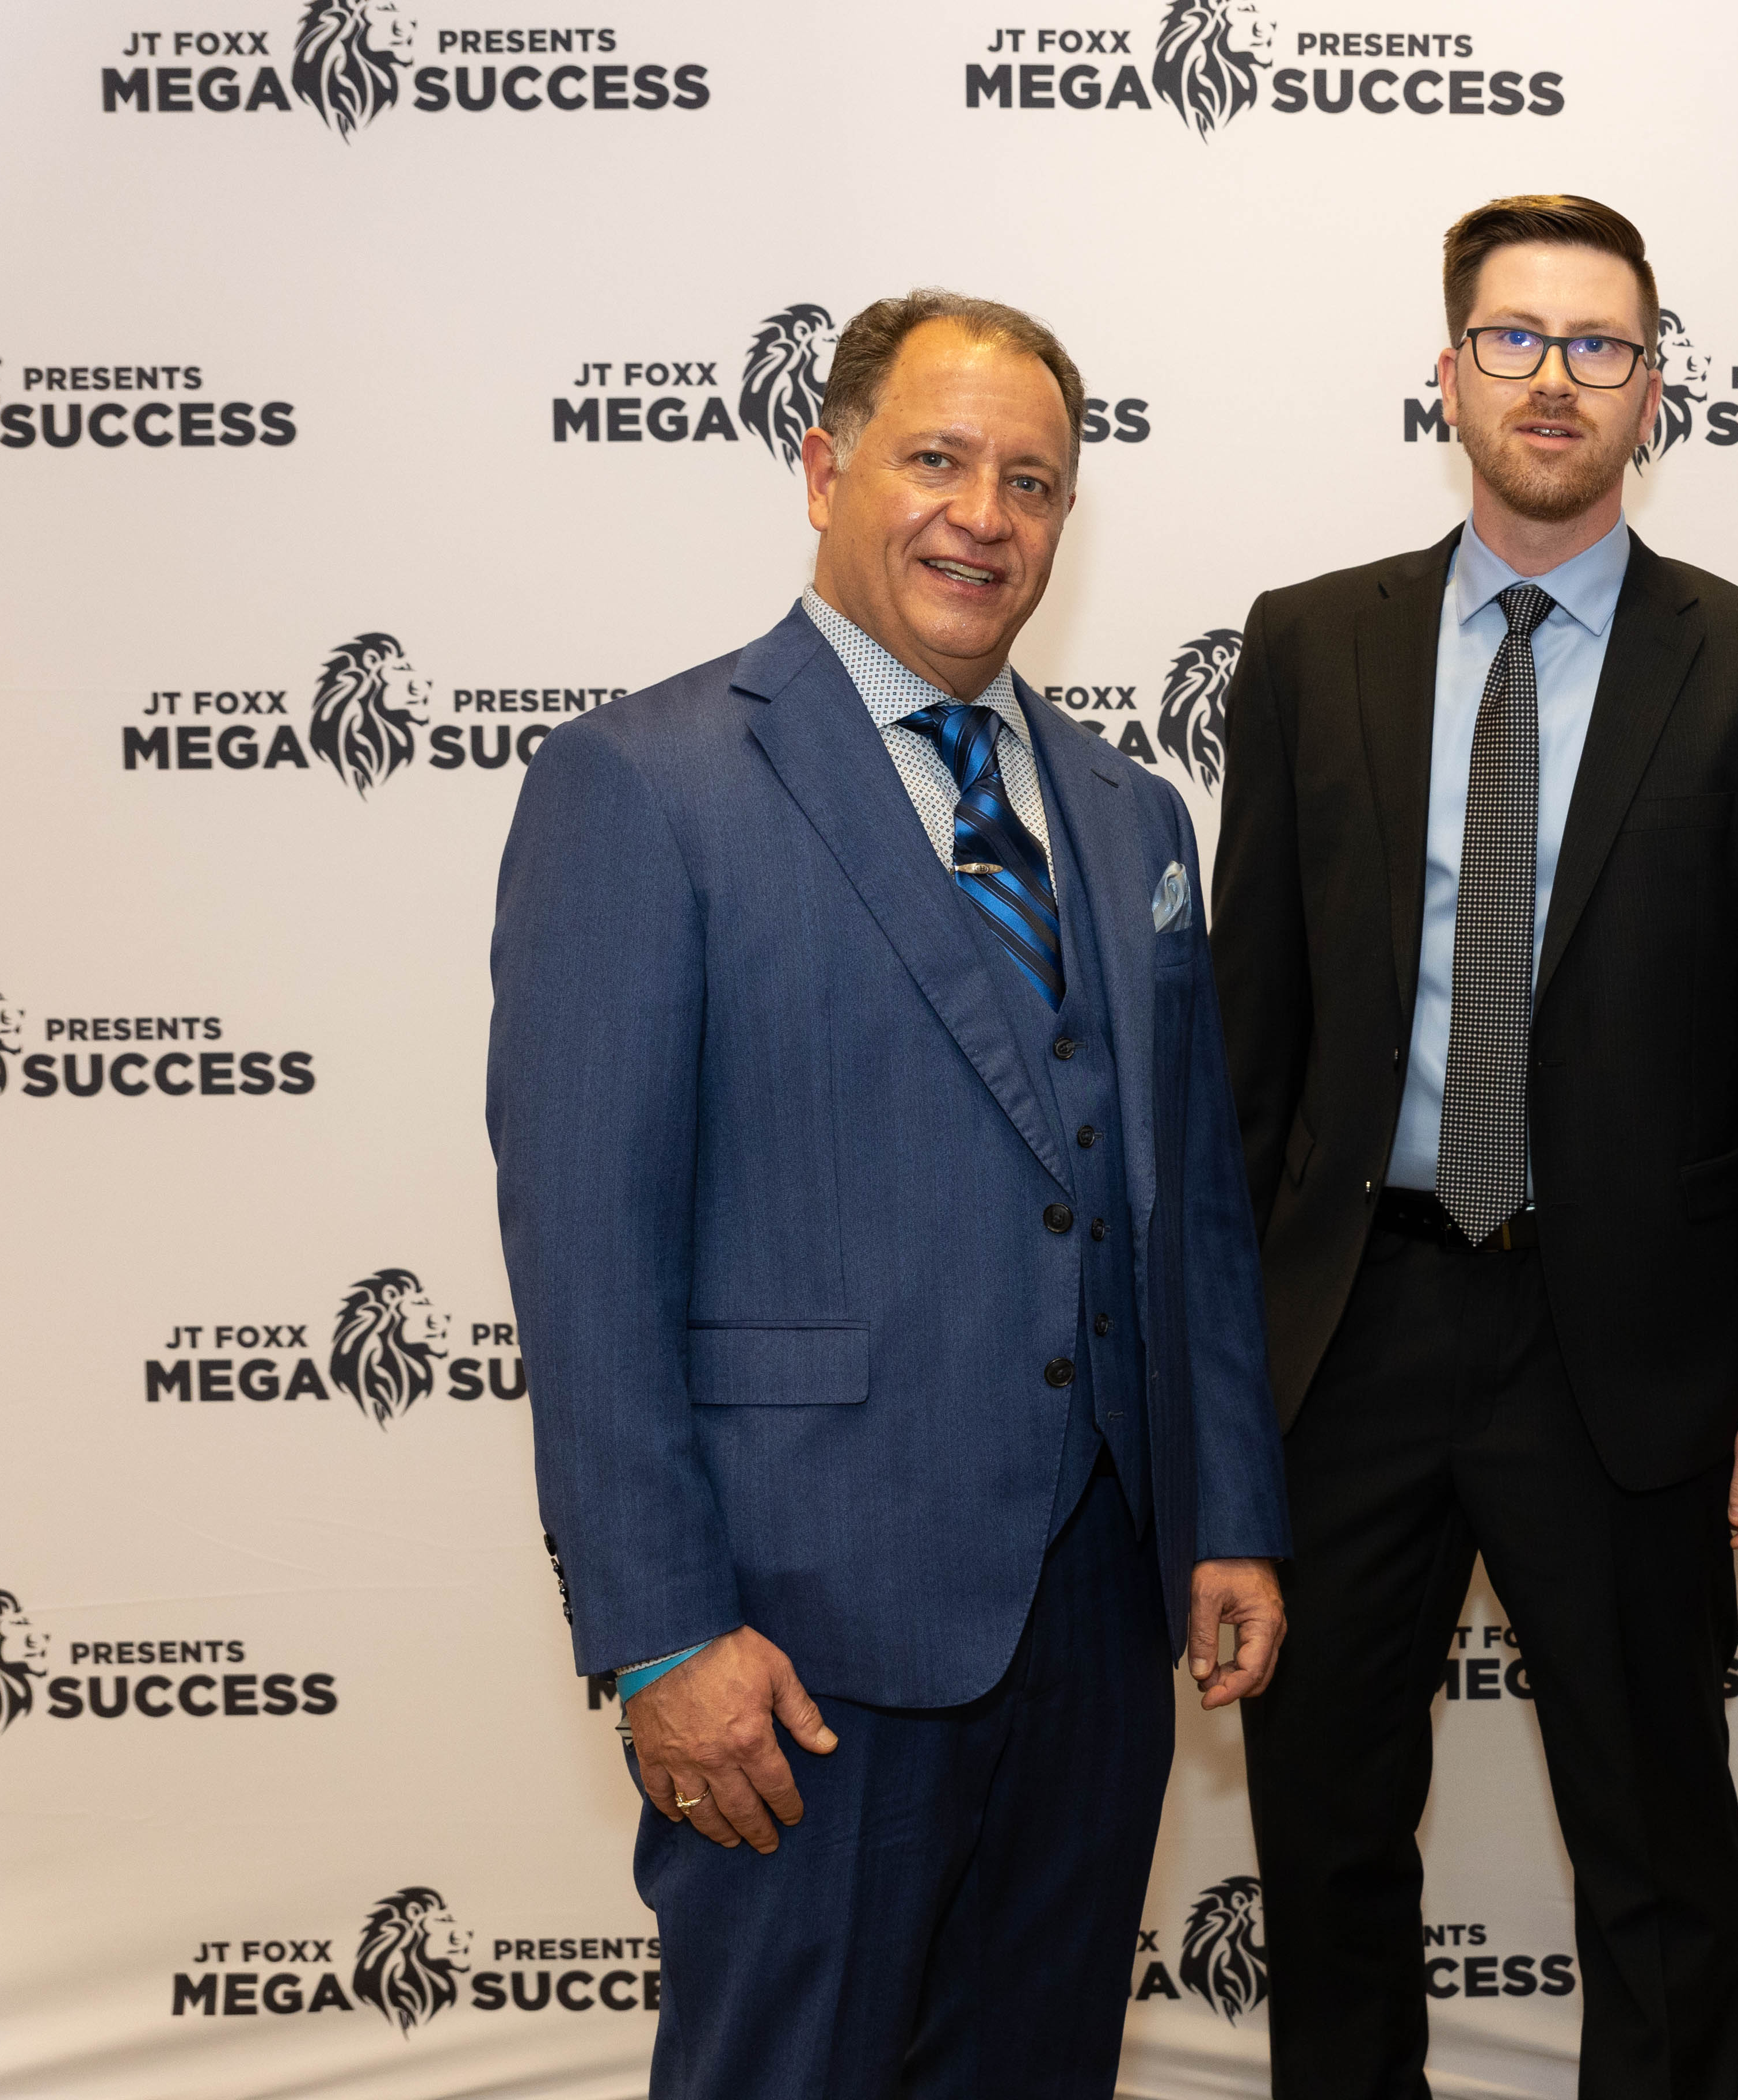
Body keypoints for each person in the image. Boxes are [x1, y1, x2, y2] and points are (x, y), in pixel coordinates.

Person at [487, 288, 1289, 2099]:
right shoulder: (643, 785)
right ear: (823, 468)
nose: (983, 516)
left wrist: (1228, 1513)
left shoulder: (1131, 815)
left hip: (1096, 1628)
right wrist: (662, 1633)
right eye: (937, 460)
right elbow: (588, 1258)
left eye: (1032, 481)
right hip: (802, 1640)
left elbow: (1191, 1214)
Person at [1210, 195, 1738, 2099]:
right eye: (1515, 340)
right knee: (1326, 1836)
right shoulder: (1309, 644)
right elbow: (1247, 1039)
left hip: (1630, 1346)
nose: (1555, 380)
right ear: (1449, 374)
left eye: (1602, 346)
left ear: (1654, 387)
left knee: (1653, 1845)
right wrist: (1220, 1370)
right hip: (1349, 1331)